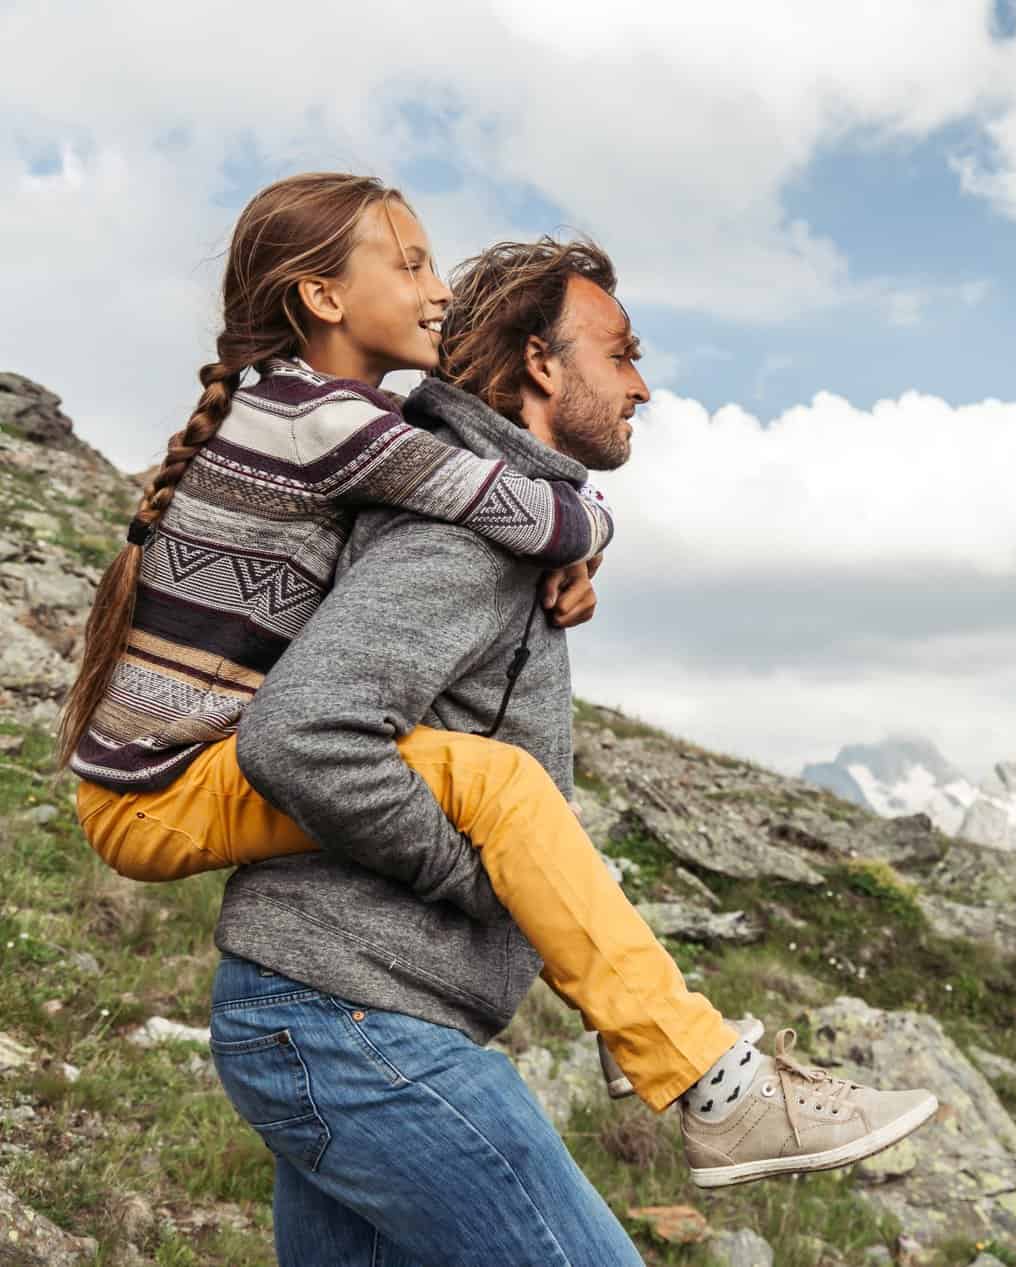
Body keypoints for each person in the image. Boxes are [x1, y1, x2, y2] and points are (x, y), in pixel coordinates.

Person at [61, 175, 936, 1260]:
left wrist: (575, 549)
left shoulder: (380, 455)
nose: (644, 387)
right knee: (504, 792)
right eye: (621, 354)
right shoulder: (431, 508)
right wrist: (486, 876)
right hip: (353, 1022)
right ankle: (712, 1082)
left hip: (322, 1009)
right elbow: (303, 736)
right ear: (538, 362)